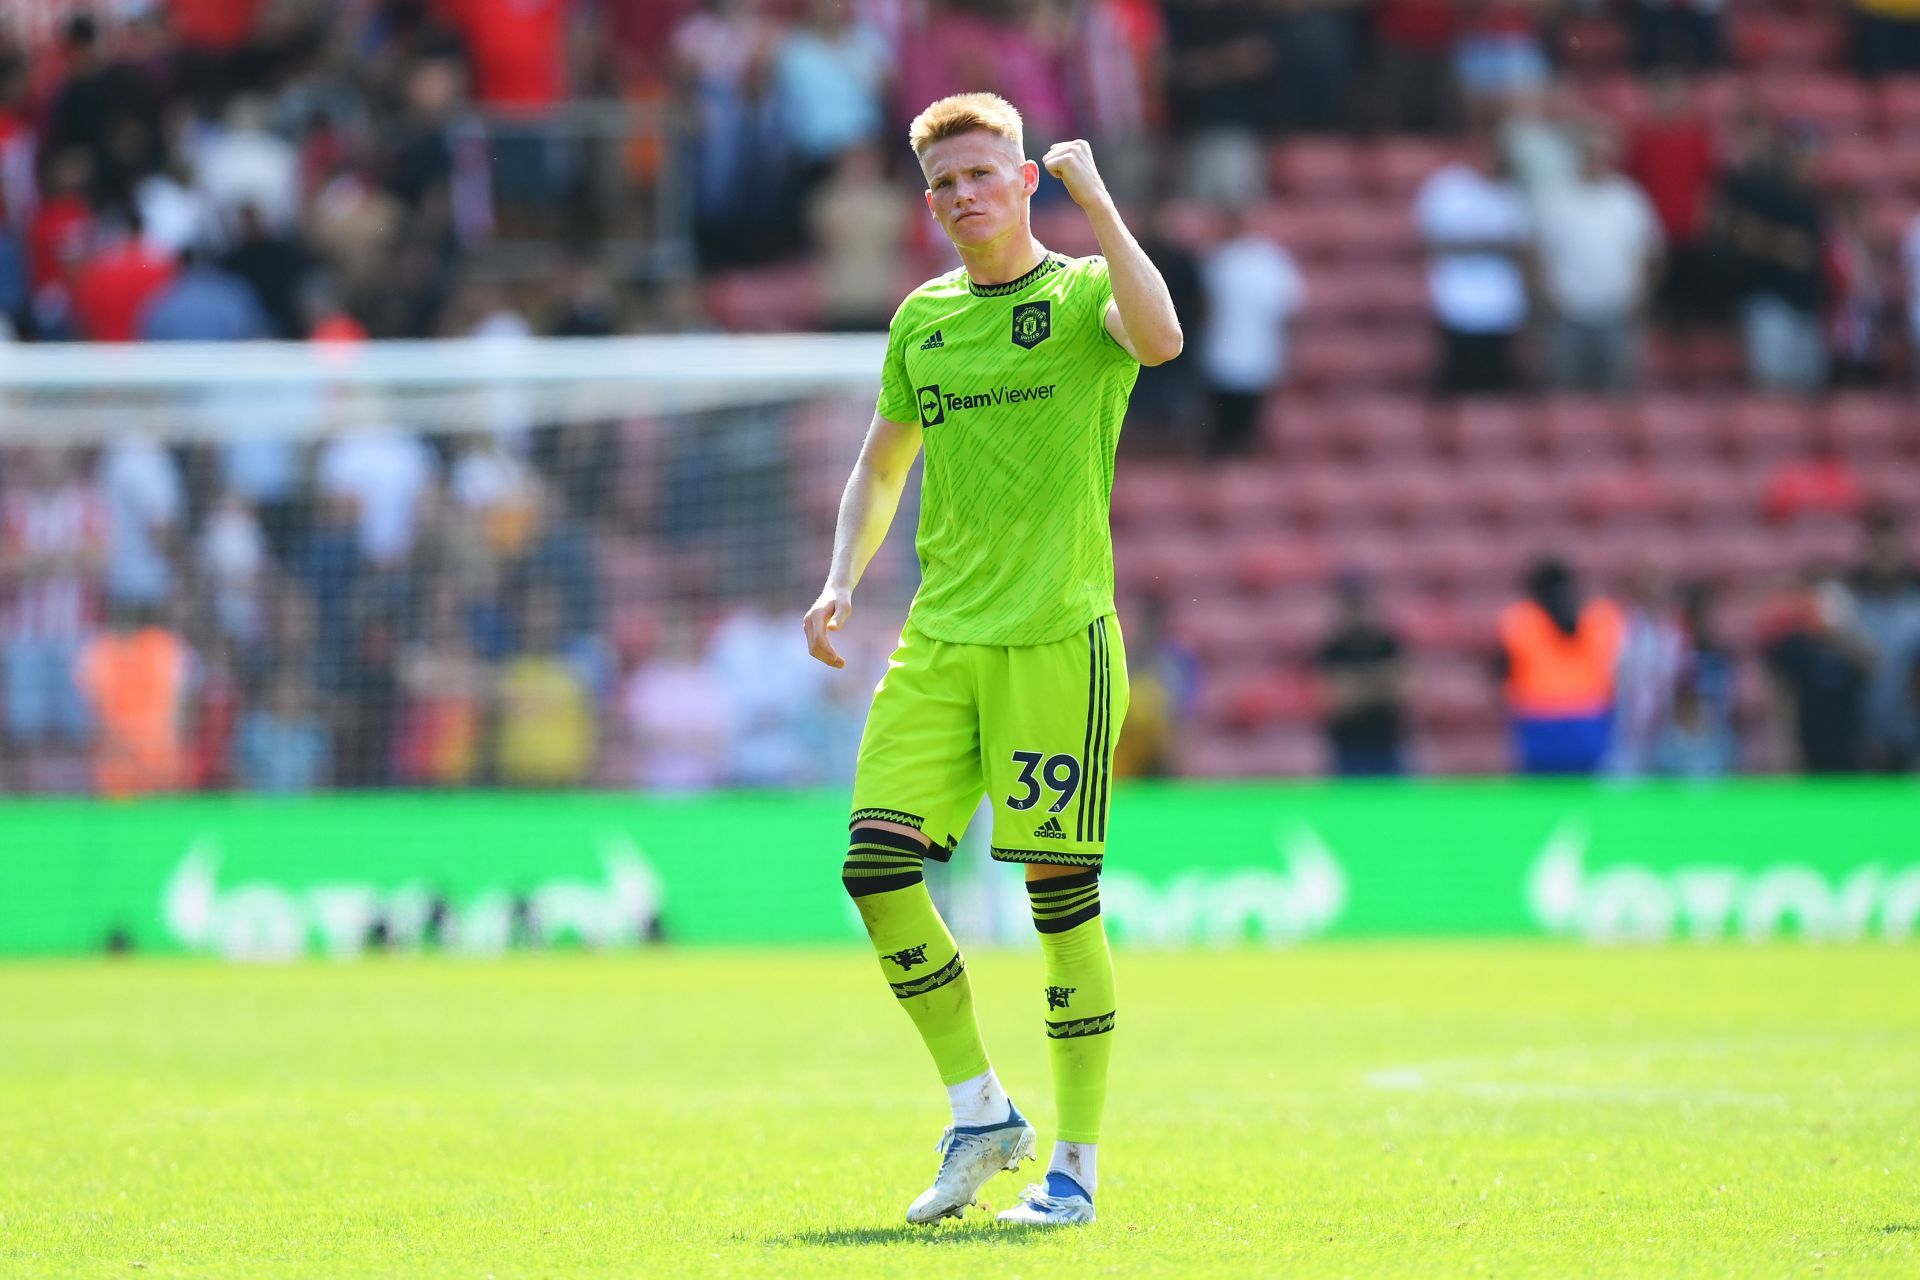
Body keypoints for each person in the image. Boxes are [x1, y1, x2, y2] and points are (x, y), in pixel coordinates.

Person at [801, 93, 1180, 1229]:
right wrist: (839, 577)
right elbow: (879, 469)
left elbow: (1161, 338)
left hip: (1060, 638)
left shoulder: (1079, 297)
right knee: (874, 869)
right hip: (940, 640)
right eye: (946, 183)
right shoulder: (923, 318)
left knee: (1060, 903)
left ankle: (1077, 1169)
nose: (965, 194)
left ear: (1024, 180)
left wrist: (1101, 203)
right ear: (930, 204)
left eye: (983, 173)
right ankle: (980, 1111)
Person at [1533, 127, 1664, 394]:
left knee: (1620, 397)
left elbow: (1652, 253)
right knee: (1565, 395)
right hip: (1566, 313)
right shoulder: (1555, 199)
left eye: (1602, 155)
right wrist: (1545, 298)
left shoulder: (1629, 199)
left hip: (1618, 313)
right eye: (1589, 154)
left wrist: (1642, 298)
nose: (1595, 161)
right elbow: (1533, 253)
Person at [1495, 558, 1624, 774]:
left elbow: (1503, 671)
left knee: (1543, 796)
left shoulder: (1521, 621)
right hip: (1588, 719)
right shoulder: (1602, 618)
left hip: (1538, 719)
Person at [1196, 204, 1305, 457]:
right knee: (1223, 429)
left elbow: (1287, 313)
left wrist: (1288, 353)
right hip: (1222, 358)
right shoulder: (1216, 259)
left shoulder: (1265, 260)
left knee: (1245, 428)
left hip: (1254, 357)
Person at [1845, 508, 1920, 770]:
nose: (1884, 558)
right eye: (1878, 551)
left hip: (1911, 741)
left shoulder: (1916, 609)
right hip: (1859, 741)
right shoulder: (1851, 608)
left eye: (1890, 550)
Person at [1315, 574, 1411, 777]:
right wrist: (1382, 682)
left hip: (1389, 743)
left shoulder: (1390, 645)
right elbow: (1334, 698)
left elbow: (1406, 690)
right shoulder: (1333, 650)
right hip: (1349, 748)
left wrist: (1355, 685)